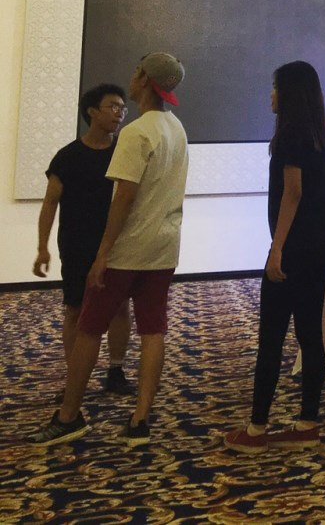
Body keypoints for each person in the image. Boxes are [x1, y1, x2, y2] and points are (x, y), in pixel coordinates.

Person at [34, 52, 189, 446]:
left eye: (136, 71)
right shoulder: (176, 128)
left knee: (88, 328)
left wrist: (102, 253)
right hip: (164, 247)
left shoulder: (136, 133)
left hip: (128, 249)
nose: (130, 78)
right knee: (153, 330)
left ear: (145, 80)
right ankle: (140, 419)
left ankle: (69, 416)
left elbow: (124, 197)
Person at [224, 60, 325, 451]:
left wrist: (277, 248)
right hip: (318, 248)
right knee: (310, 336)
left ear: (288, 92)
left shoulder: (291, 136)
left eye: (274, 88)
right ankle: (307, 423)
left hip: (294, 250)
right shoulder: (320, 137)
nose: (270, 96)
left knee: (271, 339)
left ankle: (257, 428)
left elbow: (293, 192)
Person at [34, 83, 134, 396]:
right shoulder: (67, 157)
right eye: (113, 107)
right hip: (77, 245)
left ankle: (116, 370)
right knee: (75, 310)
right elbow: (50, 203)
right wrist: (42, 248)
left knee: (120, 307)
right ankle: (75, 376)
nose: (119, 114)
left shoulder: (124, 154)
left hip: (117, 244)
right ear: (91, 112)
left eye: (123, 108)